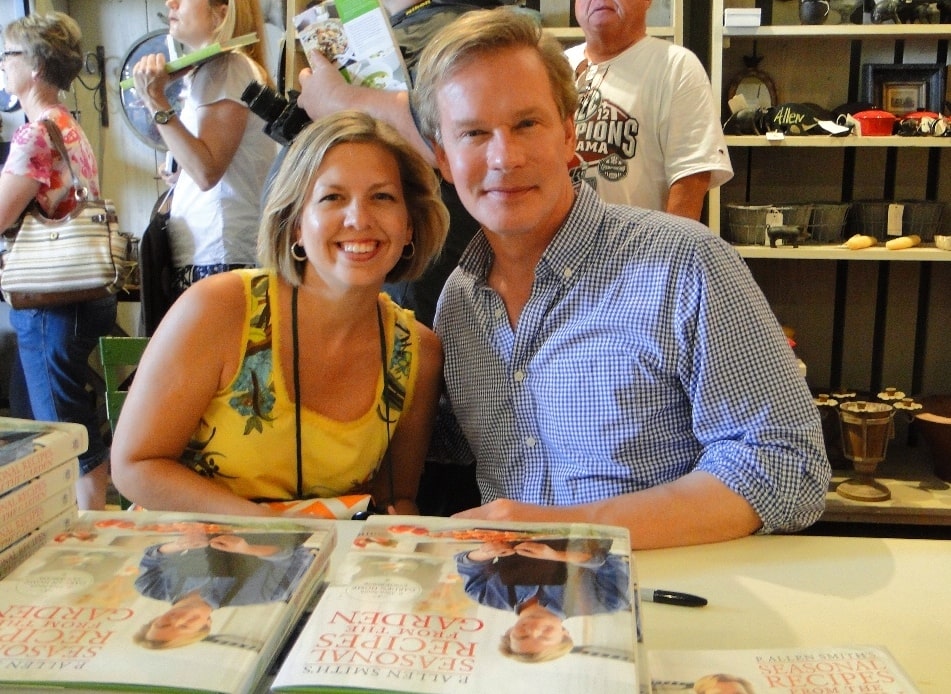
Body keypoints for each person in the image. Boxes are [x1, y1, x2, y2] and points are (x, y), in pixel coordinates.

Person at [411, 8, 830, 549]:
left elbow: (787, 463)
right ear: (443, 159)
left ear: (568, 135)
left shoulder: (684, 263)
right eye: (473, 133)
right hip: (514, 605)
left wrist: (575, 531)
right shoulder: (461, 302)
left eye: (526, 124)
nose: (504, 157)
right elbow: (462, 441)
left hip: (666, 603)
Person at [110, 112, 448, 517]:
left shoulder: (418, 355)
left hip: (327, 568)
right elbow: (135, 467)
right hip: (189, 561)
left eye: (382, 197)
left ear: (409, 225)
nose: (359, 219)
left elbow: (394, 500)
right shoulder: (220, 309)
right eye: (332, 197)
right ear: (296, 226)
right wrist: (274, 535)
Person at [0, 12, 115, 510]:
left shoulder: (34, 136)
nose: (3, 65)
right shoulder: (68, 127)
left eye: (10, 56)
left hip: (50, 299)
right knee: (78, 419)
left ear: (38, 66)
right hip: (82, 290)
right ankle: (95, 521)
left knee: (61, 429)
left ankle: (89, 538)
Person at [131, 0, 277, 301]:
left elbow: (206, 170)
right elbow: (204, 165)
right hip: (216, 253)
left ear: (222, 11)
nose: (170, 3)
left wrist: (155, 100)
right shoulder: (214, 70)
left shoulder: (228, 68)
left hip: (221, 254)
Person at [566, 0, 732, 220]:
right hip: (560, 251)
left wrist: (667, 253)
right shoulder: (554, 67)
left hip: (639, 251)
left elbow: (690, 181)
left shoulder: (675, 66)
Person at [455, 539, 631, 662]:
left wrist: (485, 552)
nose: (534, 629)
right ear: (565, 634)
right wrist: (556, 555)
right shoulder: (607, 602)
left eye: (522, 635)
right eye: (546, 636)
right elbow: (614, 561)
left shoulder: (487, 596)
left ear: (510, 632)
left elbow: (467, 564)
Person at [134, 530, 316, 649]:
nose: (179, 619)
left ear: (155, 619)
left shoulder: (151, 586)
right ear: (206, 625)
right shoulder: (263, 595)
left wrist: (179, 545)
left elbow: (152, 556)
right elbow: (299, 557)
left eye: (164, 624)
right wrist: (248, 549)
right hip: (271, 522)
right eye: (185, 626)